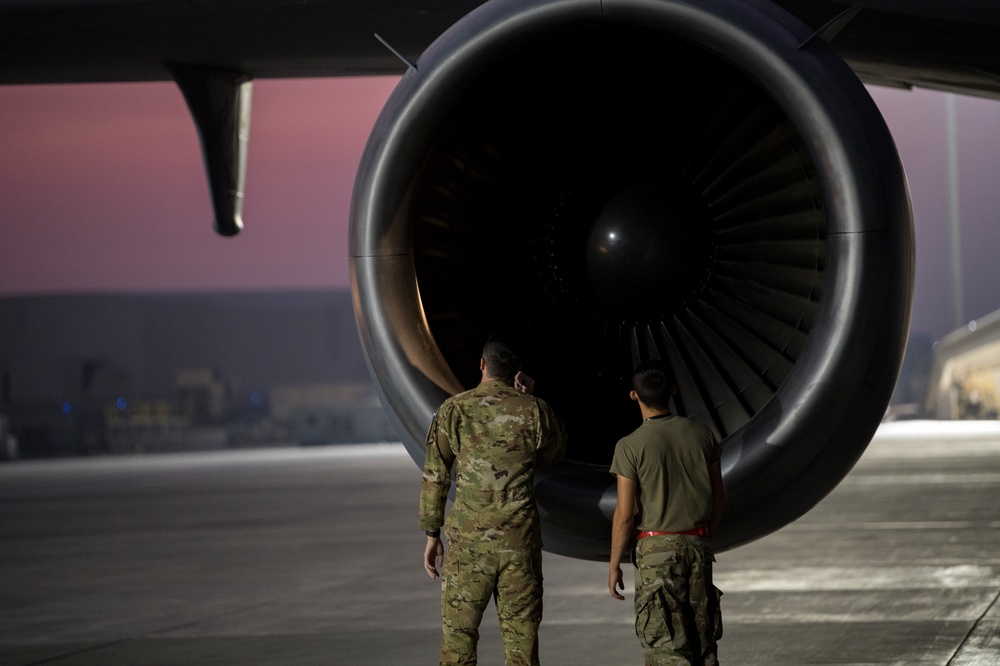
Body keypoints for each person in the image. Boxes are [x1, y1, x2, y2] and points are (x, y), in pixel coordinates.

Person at [419, 335, 568, 666]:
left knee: (458, 646)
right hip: (520, 545)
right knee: (522, 650)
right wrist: (530, 396)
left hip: (469, 547)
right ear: (517, 370)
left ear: (482, 364)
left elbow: (435, 474)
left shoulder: (454, 410)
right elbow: (557, 452)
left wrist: (432, 533)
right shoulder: (533, 410)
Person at [607, 360, 726, 665]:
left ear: (634, 395)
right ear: (673, 391)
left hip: (656, 551)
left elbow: (624, 513)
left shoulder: (629, 446)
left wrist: (614, 564)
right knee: (704, 645)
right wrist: (704, 535)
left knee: (666, 647)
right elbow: (718, 495)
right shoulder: (702, 434)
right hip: (698, 545)